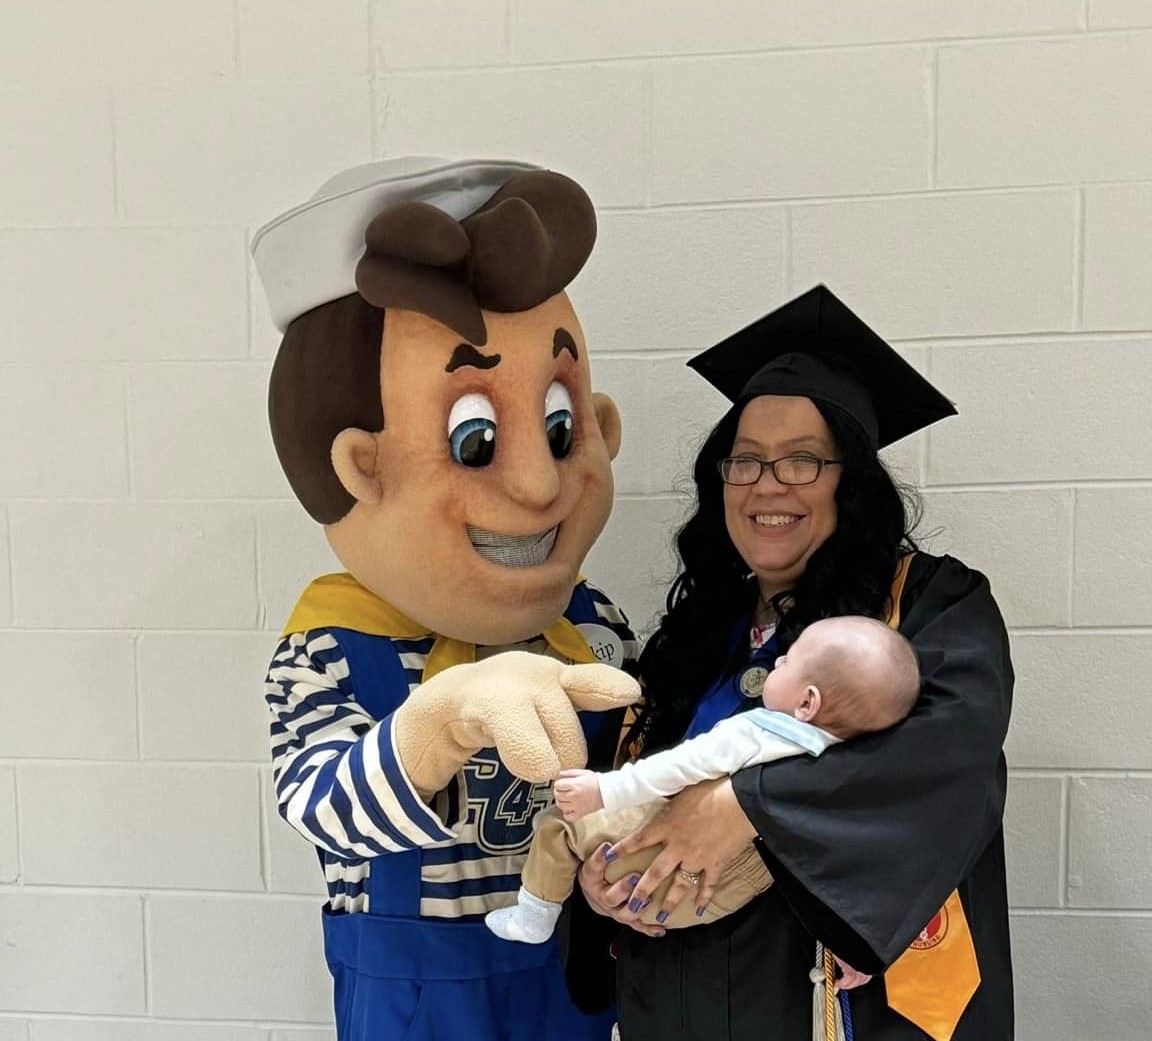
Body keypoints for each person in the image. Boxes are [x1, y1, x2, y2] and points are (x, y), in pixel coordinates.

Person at [252, 158, 640, 1041]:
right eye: (475, 440)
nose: (540, 483)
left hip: (580, 976)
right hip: (417, 996)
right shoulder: (328, 646)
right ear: (362, 466)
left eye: (558, 425)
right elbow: (321, 806)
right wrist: (444, 718)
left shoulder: (590, 624)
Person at [567, 284, 1014, 1041]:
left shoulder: (929, 606)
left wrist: (743, 804)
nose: (767, 485)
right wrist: (603, 879)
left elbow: (951, 754)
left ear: (854, 480)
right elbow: (633, 787)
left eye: (802, 461)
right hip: (679, 998)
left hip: (831, 1006)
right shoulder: (696, 635)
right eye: (744, 461)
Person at [486, 616, 920, 943]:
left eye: (791, 659)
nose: (781, 659)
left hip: (666, 864)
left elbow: (679, 766)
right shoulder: (841, 768)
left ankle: (534, 916)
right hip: (729, 896)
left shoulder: (757, 730)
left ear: (807, 702)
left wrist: (603, 790)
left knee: (558, 828)